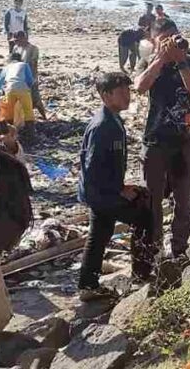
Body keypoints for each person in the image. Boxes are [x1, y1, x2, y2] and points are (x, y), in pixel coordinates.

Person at [78, 73, 155, 300]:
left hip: (101, 191)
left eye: (128, 91)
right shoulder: (103, 126)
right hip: (101, 193)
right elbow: (93, 168)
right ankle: (141, 275)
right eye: (121, 92)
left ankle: (88, 285)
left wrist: (121, 185)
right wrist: (119, 190)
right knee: (143, 217)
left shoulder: (113, 120)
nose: (127, 96)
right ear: (105, 95)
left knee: (99, 234)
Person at [134, 19, 190, 258]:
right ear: (154, 40)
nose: (171, 41)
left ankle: (179, 249)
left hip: (184, 141)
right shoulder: (150, 62)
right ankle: (154, 248)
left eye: (174, 36)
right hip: (156, 140)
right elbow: (140, 87)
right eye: (165, 38)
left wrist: (181, 62)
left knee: (184, 201)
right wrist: (161, 60)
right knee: (153, 200)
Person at [0, 53, 35, 135]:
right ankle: (30, 133)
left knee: (9, 111)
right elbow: (30, 80)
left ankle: (9, 132)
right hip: (23, 89)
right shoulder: (24, 65)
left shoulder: (7, 67)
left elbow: (0, 80)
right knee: (28, 110)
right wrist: (28, 88)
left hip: (9, 89)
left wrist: (0, 91)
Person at [12, 32, 47, 121]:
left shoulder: (33, 49)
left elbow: (33, 64)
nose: (16, 43)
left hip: (30, 77)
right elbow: (13, 61)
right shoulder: (16, 48)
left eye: (18, 40)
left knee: (35, 98)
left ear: (24, 38)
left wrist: (33, 79)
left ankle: (44, 117)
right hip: (19, 78)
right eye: (15, 41)